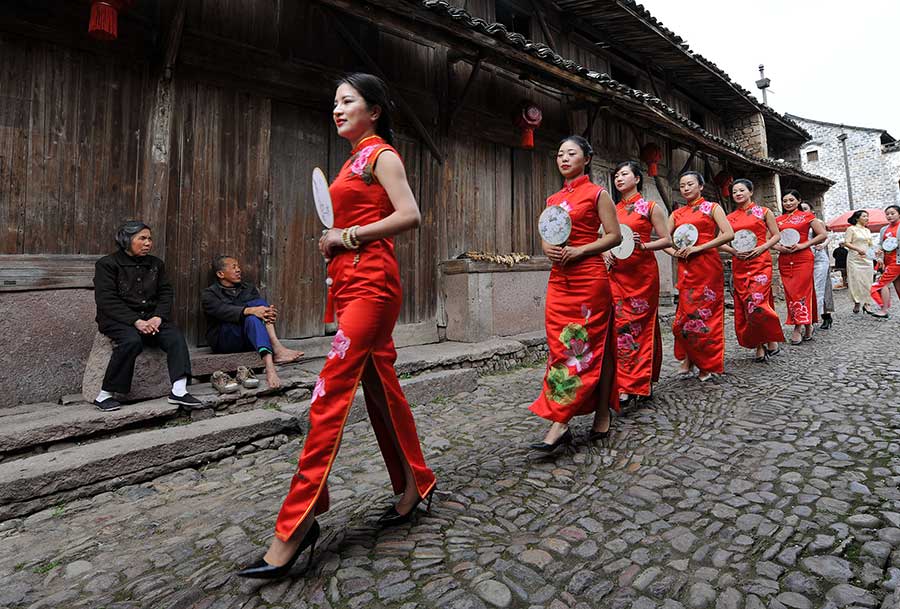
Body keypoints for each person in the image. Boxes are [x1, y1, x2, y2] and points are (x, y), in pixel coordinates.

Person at [236, 73, 436, 580]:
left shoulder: (382, 155)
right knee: (381, 388)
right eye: (334, 102)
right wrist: (334, 240)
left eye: (347, 101)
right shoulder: (350, 162)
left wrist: (346, 235)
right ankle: (415, 481)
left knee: (327, 396)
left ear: (374, 109)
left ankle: (296, 526)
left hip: (372, 287)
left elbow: (410, 215)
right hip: (349, 285)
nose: (337, 108)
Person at [528, 135, 622, 451]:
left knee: (581, 347)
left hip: (589, 279)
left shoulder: (598, 194)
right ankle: (599, 410)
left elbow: (614, 236)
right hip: (560, 280)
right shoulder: (552, 199)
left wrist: (580, 251)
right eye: (559, 154)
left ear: (587, 159)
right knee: (561, 346)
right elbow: (545, 236)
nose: (564, 158)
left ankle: (562, 421)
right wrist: (548, 249)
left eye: (571, 153)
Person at [92, 221, 201, 412]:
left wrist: (158, 317)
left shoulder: (156, 264)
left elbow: (166, 293)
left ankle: (179, 390)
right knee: (131, 341)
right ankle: (105, 395)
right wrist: (136, 321)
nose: (148, 243)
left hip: (151, 318)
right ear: (126, 240)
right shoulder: (107, 264)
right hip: (118, 319)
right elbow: (106, 300)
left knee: (174, 336)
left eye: (149, 239)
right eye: (142, 238)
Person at [605, 160, 670, 409]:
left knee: (641, 326)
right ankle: (628, 383)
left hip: (642, 275)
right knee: (621, 327)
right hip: (618, 275)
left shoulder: (650, 207)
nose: (618, 178)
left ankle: (638, 383)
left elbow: (666, 239)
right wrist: (606, 253)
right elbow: (605, 238)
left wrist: (643, 245)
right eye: (616, 175)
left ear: (637, 178)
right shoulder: (612, 209)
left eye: (624, 174)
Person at [665, 172, 734, 381]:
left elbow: (728, 234)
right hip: (686, 268)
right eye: (682, 185)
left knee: (706, 317)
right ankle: (689, 358)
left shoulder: (712, 207)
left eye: (690, 184)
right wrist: (675, 253)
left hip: (707, 267)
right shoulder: (676, 214)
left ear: (700, 186)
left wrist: (700, 247)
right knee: (683, 320)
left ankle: (706, 364)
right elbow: (665, 240)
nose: (685, 188)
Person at [201, 256, 304, 389]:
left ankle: (272, 362)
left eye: (238, 267)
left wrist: (264, 312)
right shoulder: (209, 294)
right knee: (253, 313)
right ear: (221, 274)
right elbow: (223, 311)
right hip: (225, 340)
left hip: (248, 338)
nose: (239, 270)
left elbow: (257, 312)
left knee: (257, 309)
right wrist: (251, 310)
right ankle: (275, 352)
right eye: (233, 267)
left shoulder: (247, 288)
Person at [720, 179, 784, 361]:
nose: (738, 194)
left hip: (760, 263)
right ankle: (760, 344)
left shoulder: (763, 212)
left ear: (750, 192)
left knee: (757, 303)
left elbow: (776, 235)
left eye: (741, 190)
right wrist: (733, 251)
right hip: (740, 264)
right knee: (747, 305)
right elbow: (720, 240)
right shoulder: (729, 217)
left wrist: (762, 248)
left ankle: (770, 338)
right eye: (734, 192)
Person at [773, 190, 826, 344]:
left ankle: (797, 326)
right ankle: (808, 323)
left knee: (801, 291)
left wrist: (804, 244)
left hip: (803, 258)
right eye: (785, 200)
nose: (788, 203)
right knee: (791, 292)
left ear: (798, 200)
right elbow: (769, 238)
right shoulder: (778, 220)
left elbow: (822, 234)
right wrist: (779, 248)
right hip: (785, 259)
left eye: (791, 200)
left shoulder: (807, 216)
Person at [798, 201, 835, 329]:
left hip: (818, 258)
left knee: (818, 288)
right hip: (803, 259)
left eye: (805, 208)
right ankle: (814, 316)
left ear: (811, 211)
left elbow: (829, 234)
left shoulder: (817, 222)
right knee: (806, 289)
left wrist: (823, 245)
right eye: (800, 209)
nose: (802, 211)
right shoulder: (798, 224)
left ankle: (815, 319)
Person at [842, 210, 876, 314]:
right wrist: (858, 249)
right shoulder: (851, 229)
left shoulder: (867, 230)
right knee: (855, 280)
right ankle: (857, 301)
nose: (867, 218)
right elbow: (846, 243)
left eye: (867, 216)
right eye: (864, 216)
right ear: (857, 218)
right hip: (855, 258)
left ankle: (867, 303)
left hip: (867, 258)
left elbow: (870, 244)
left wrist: (875, 252)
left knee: (868, 280)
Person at [870, 205, 900, 316]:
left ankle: (884, 309)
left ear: (899, 214)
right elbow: (881, 244)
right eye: (887, 214)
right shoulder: (884, 229)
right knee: (898, 288)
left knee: (881, 284)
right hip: (889, 261)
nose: (889, 216)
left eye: (892, 213)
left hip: (896, 262)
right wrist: (879, 251)